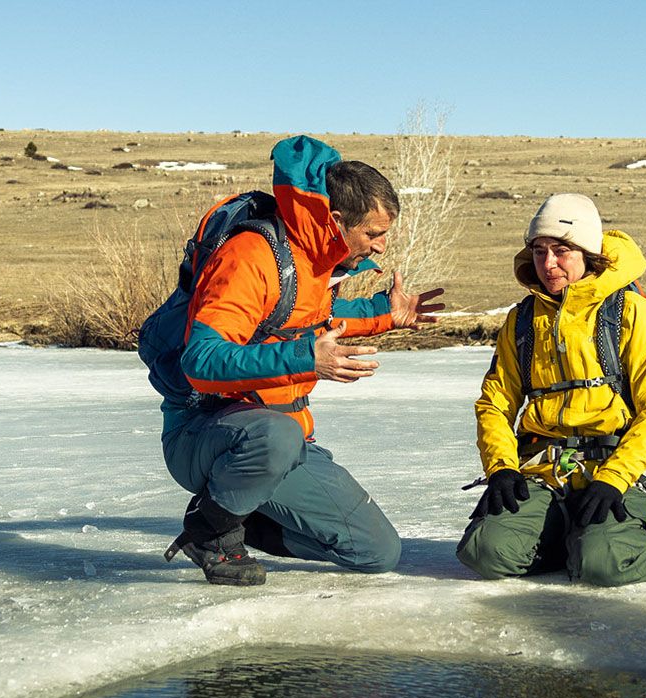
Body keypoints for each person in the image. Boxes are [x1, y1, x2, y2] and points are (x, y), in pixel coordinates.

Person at [159, 135, 443, 586]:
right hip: (208, 433)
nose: (381, 247)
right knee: (277, 434)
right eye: (373, 234)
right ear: (336, 222)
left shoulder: (312, 263)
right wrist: (306, 358)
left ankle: (244, 512)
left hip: (283, 441)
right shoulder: (251, 257)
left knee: (376, 552)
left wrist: (386, 314)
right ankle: (210, 531)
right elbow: (202, 360)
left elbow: (309, 318)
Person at [457, 193, 646, 586]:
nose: (548, 264)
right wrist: (501, 468)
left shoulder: (631, 313)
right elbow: (495, 403)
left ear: (588, 253)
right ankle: (570, 537)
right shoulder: (522, 321)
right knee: (484, 552)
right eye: (539, 251)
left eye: (561, 251)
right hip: (545, 471)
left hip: (617, 472)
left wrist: (614, 477)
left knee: (602, 564)